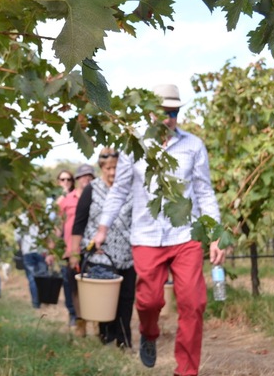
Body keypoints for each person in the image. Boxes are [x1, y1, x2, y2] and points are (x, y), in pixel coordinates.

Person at [93, 84, 226, 376]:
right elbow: (119, 191)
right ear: (151, 113)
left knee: (193, 303)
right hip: (147, 237)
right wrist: (102, 227)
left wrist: (216, 235)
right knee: (149, 300)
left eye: (174, 112)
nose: (169, 118)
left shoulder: (193, 145)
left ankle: (187, 371)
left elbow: (204, 193)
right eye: (164, 112)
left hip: (185, 236)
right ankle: (149, 333)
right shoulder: (135, 146)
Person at [70, 147, 135, 349]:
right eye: (107, 168)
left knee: (126, 300)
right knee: (106, 302)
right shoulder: (92, 189)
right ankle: (107, 338)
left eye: (115, 167)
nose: (112, 172)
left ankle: (124, 342)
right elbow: (78, 224)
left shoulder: (131, 189)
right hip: (100, 256)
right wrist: (74, 254)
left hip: (127, 255)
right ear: (101, 168)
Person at [50, 163, 95, 335]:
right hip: (71, 249)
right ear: (77, 180)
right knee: (74, 287)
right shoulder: (66, 201)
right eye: (83, 176)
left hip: (92, 250)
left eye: (90, 177)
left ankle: (97, 320)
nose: (87, 179)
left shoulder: (97, 198)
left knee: (93, 286)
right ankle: (79, 320)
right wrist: (52, 248)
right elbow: (58, 226)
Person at [14, 211, 48, 308]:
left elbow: (18, 238)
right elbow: (46, 235)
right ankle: (44, 300)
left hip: (27, 251)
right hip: (41, 250)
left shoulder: (21, 218)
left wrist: (21, 249)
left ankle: (36, 303)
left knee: (32, 278)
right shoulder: (41, 216)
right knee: (42, 276)